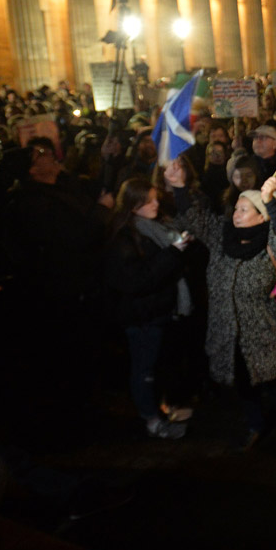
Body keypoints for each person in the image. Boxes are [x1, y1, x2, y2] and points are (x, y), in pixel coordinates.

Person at [166, 164, 276, 451]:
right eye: (236, 208)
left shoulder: (272, 244)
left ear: (262, 216)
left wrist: (269, 201)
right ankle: (255, 425)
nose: (235, 214)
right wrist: (179, 186)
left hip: (265, 332)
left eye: (244, 210)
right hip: (228, 331)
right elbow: (195, 219)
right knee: (243, 384)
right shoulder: (222, 236)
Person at [103, 178, 196, 439]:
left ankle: (161, 409)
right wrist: (173, 253)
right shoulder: (125, 237)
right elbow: (137, 280)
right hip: (141, 315)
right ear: (134, 205)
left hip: (157, 311)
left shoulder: (154, 227)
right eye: (150, 200)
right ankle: (150, 419)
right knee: (144, 370)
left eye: (156, 198)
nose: (157, 203)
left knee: (156, 366)